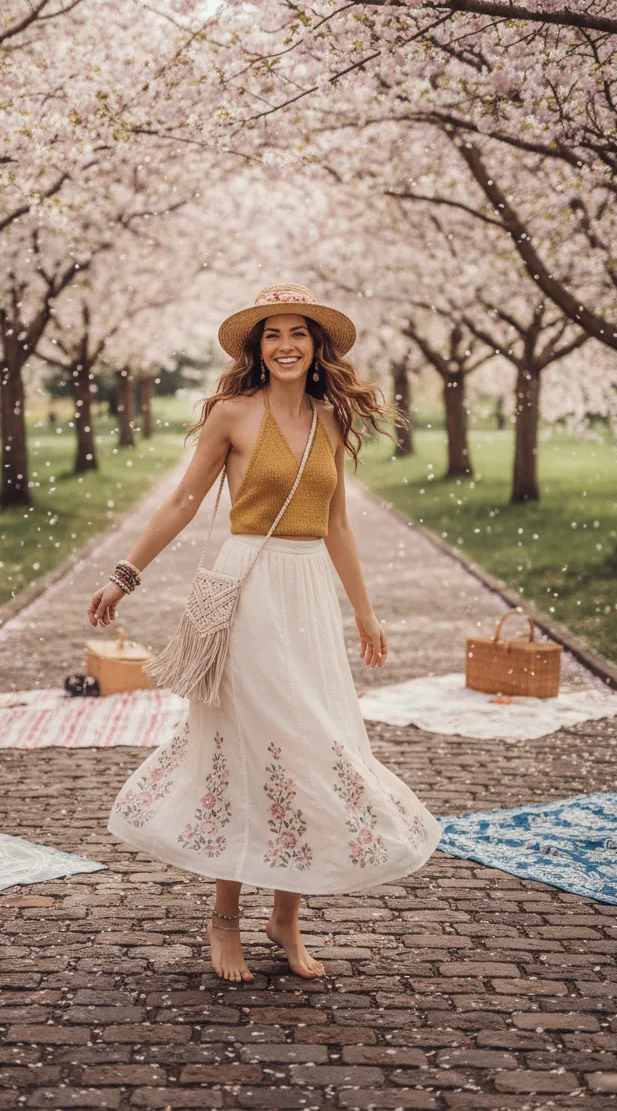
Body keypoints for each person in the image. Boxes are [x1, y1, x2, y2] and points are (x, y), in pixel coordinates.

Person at [88, 283, 441, 983]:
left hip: (307, 594)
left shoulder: (330, 419)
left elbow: (337, 524)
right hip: (248, 589)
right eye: (272, 335)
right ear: (258, 348)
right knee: (248, 745)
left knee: (311, 742)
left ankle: (286, 916)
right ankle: (225, 919)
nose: (285, 345)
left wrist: (364, 612)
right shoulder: (232, 414)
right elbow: (186, 499)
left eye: (298, 335)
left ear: (317, 349)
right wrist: (126, 574)